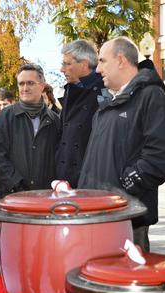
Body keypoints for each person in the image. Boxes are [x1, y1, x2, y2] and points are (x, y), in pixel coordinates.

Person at [78, 37, 165, 252]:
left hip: (128, 222)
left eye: (103, 61)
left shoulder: (152, 97)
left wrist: (125, 188)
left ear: (121, 60)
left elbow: (161, 156)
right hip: (98, 217)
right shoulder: (106, 107)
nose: (98, 70)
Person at [0, 63, 60, 199]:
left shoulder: (54, 120)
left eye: (30, 83)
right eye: (21, 84)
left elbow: (58, 159)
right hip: (12, 197)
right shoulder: (5, 116)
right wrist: (17, 183)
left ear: (42, 86)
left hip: (45, 198)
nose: (25, 88)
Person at [57, 39, 104, 188]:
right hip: (65, 183)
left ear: (84, 64)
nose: (61, 69)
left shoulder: (105, 92)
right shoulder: (70, 91)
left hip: (91, 184)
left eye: (66, 63)